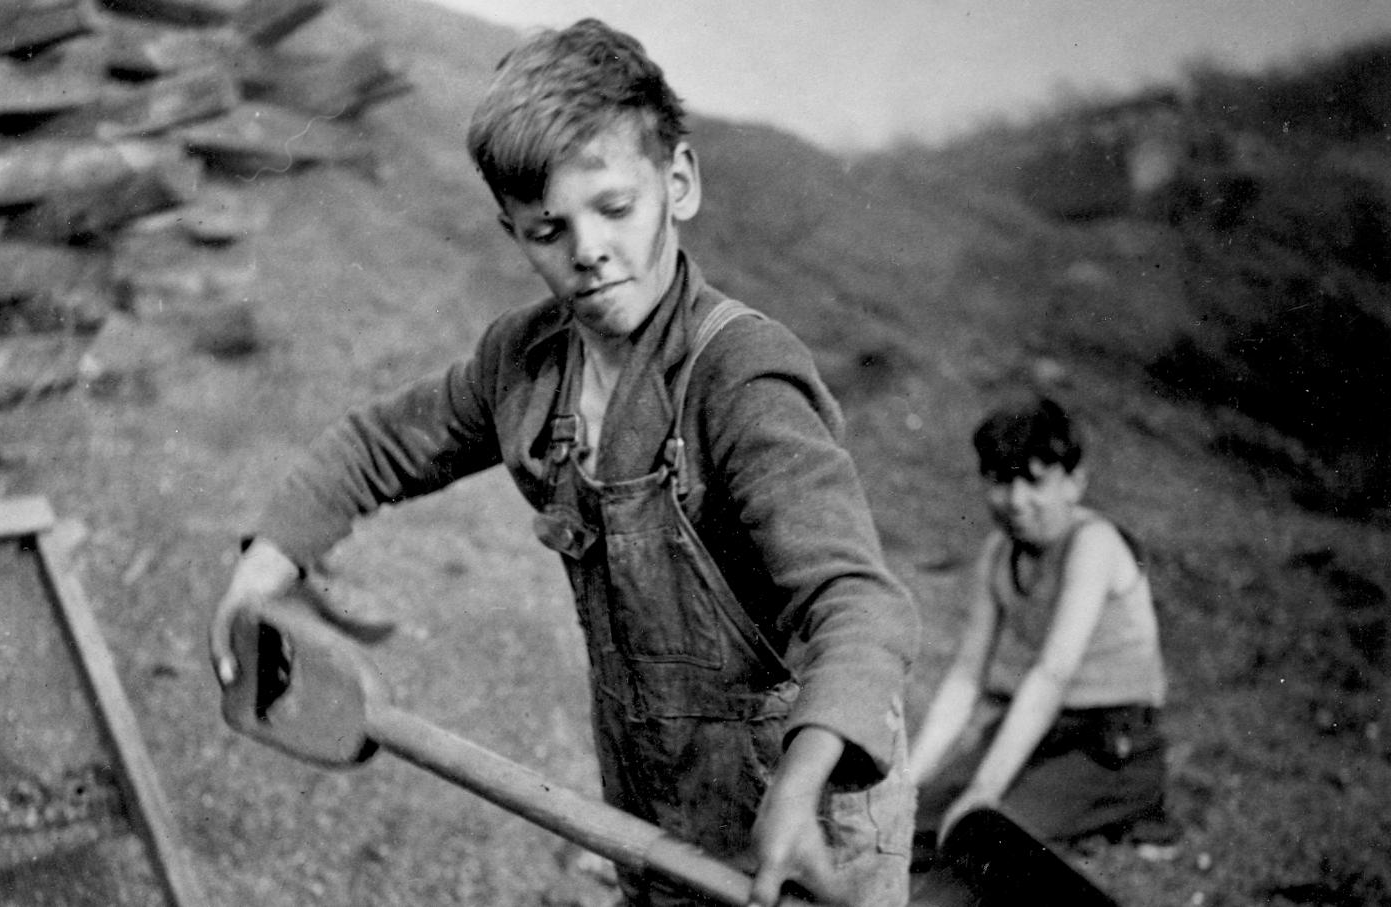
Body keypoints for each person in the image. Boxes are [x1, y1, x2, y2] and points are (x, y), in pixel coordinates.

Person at [208, 19, 917, 907]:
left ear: (679, 182)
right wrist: (264, 564)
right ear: (512, 229)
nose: (586, 249)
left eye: (614, 208)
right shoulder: (525, 365)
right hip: (657, 797)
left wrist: (802, 780)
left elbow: (859, 603)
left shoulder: (742, 377)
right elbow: (375, 445)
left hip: (810, 812)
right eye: (548, 228)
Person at [906, 396, 1177, 863]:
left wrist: (985, 789)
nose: (1016, 502)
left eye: (1034, 482)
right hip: (1044, 729)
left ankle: (1134, 811)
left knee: (984, 832)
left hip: (1112, 742)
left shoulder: (1093, 544)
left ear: (1075, 483)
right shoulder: (998, 553)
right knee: (919, 815)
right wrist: (908, 780)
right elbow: (967, 675)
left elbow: (1053, 672)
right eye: (1000, 481)